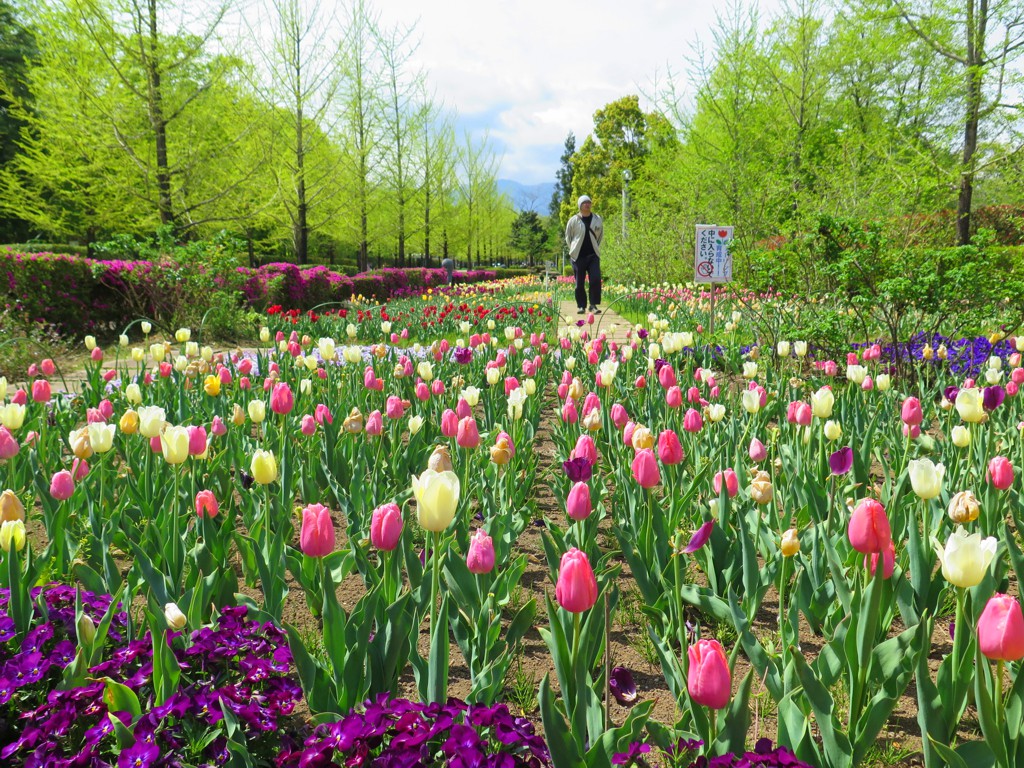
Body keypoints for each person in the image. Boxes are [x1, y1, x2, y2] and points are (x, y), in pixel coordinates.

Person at [565, 195, 603, 314]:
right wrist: (573, 249)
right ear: (580, 205)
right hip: (578, 256)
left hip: (593, 256)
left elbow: (600, 235)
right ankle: (581, 305)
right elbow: (568, 236)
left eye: (589, 202)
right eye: (584, 203)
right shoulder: (573, 220)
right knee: (579, 283)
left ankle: (593, 305)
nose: (587, 204)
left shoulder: (597, 219)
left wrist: (595, 247)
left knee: (596, 279)